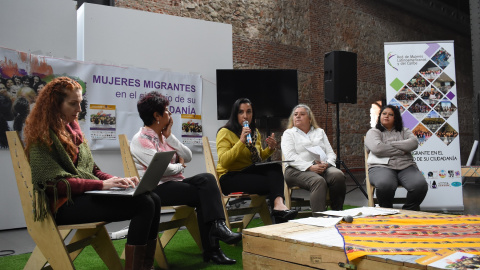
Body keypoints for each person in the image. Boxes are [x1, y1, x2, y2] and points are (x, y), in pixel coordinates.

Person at [23, 77, 161, 270]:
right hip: (62, 206)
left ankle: (146, 266)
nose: (79, 109)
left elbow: (93, 171)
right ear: (55, 105)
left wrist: (115, 180)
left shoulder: (73, 130)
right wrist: (102, 185)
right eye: (73, 104)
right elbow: (54, 184)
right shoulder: (42, 136)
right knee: (144, 203)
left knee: (153, 198)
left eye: (80, 103)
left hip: (81, 197)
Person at [130, 91, 241, 265]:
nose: (170, 114)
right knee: (205, 194)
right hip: (156, 189)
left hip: (175, 183)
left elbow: (187, 156)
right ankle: (214, 247)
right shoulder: (140, 139)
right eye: (166, 111)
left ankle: (218, 228)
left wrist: (170, 137)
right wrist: (180, 166)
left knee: (207, 179)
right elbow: (163, 170)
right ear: (156, 115)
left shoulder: (164, 137)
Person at [216, 98, 298, 223]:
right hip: (229, 176)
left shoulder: (255, 133)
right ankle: (279, 214)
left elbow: (257, 158)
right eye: (241, 112)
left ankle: (278, 207)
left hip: (248, 172)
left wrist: (270, 149)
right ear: (235, 114)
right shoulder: (225, 132)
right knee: (274, 183)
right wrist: (241, 142)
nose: (245, 116)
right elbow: (225, 162)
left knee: (275, 168)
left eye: (249, 112)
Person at [281, 104, 346, 213]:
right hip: (295, 170)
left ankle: (337, 212)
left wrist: (327, 163)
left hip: (322, 167)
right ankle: (319, 219)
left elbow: (331, 153)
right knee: (318, 181)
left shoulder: (319, 132)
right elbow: (290, 156)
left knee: (338, 175)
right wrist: (310, 167)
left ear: (310, 119)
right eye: (295, 114)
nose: (297, 116)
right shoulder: (289, 133)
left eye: (302, 114)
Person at [364, 105, 428, 210]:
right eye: (384, 114)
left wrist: (390, 144)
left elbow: (414, 143)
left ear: (396, 118)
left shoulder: (404, 131)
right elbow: (378, 149)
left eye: (390, 114)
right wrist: (402, 148)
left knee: (420, 185)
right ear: (380, 116)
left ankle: (409, 210)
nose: (386, 116)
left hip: (406, 165)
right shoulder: (373, 132)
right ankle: (386, 211)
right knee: (385, 184)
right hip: (381, 166)